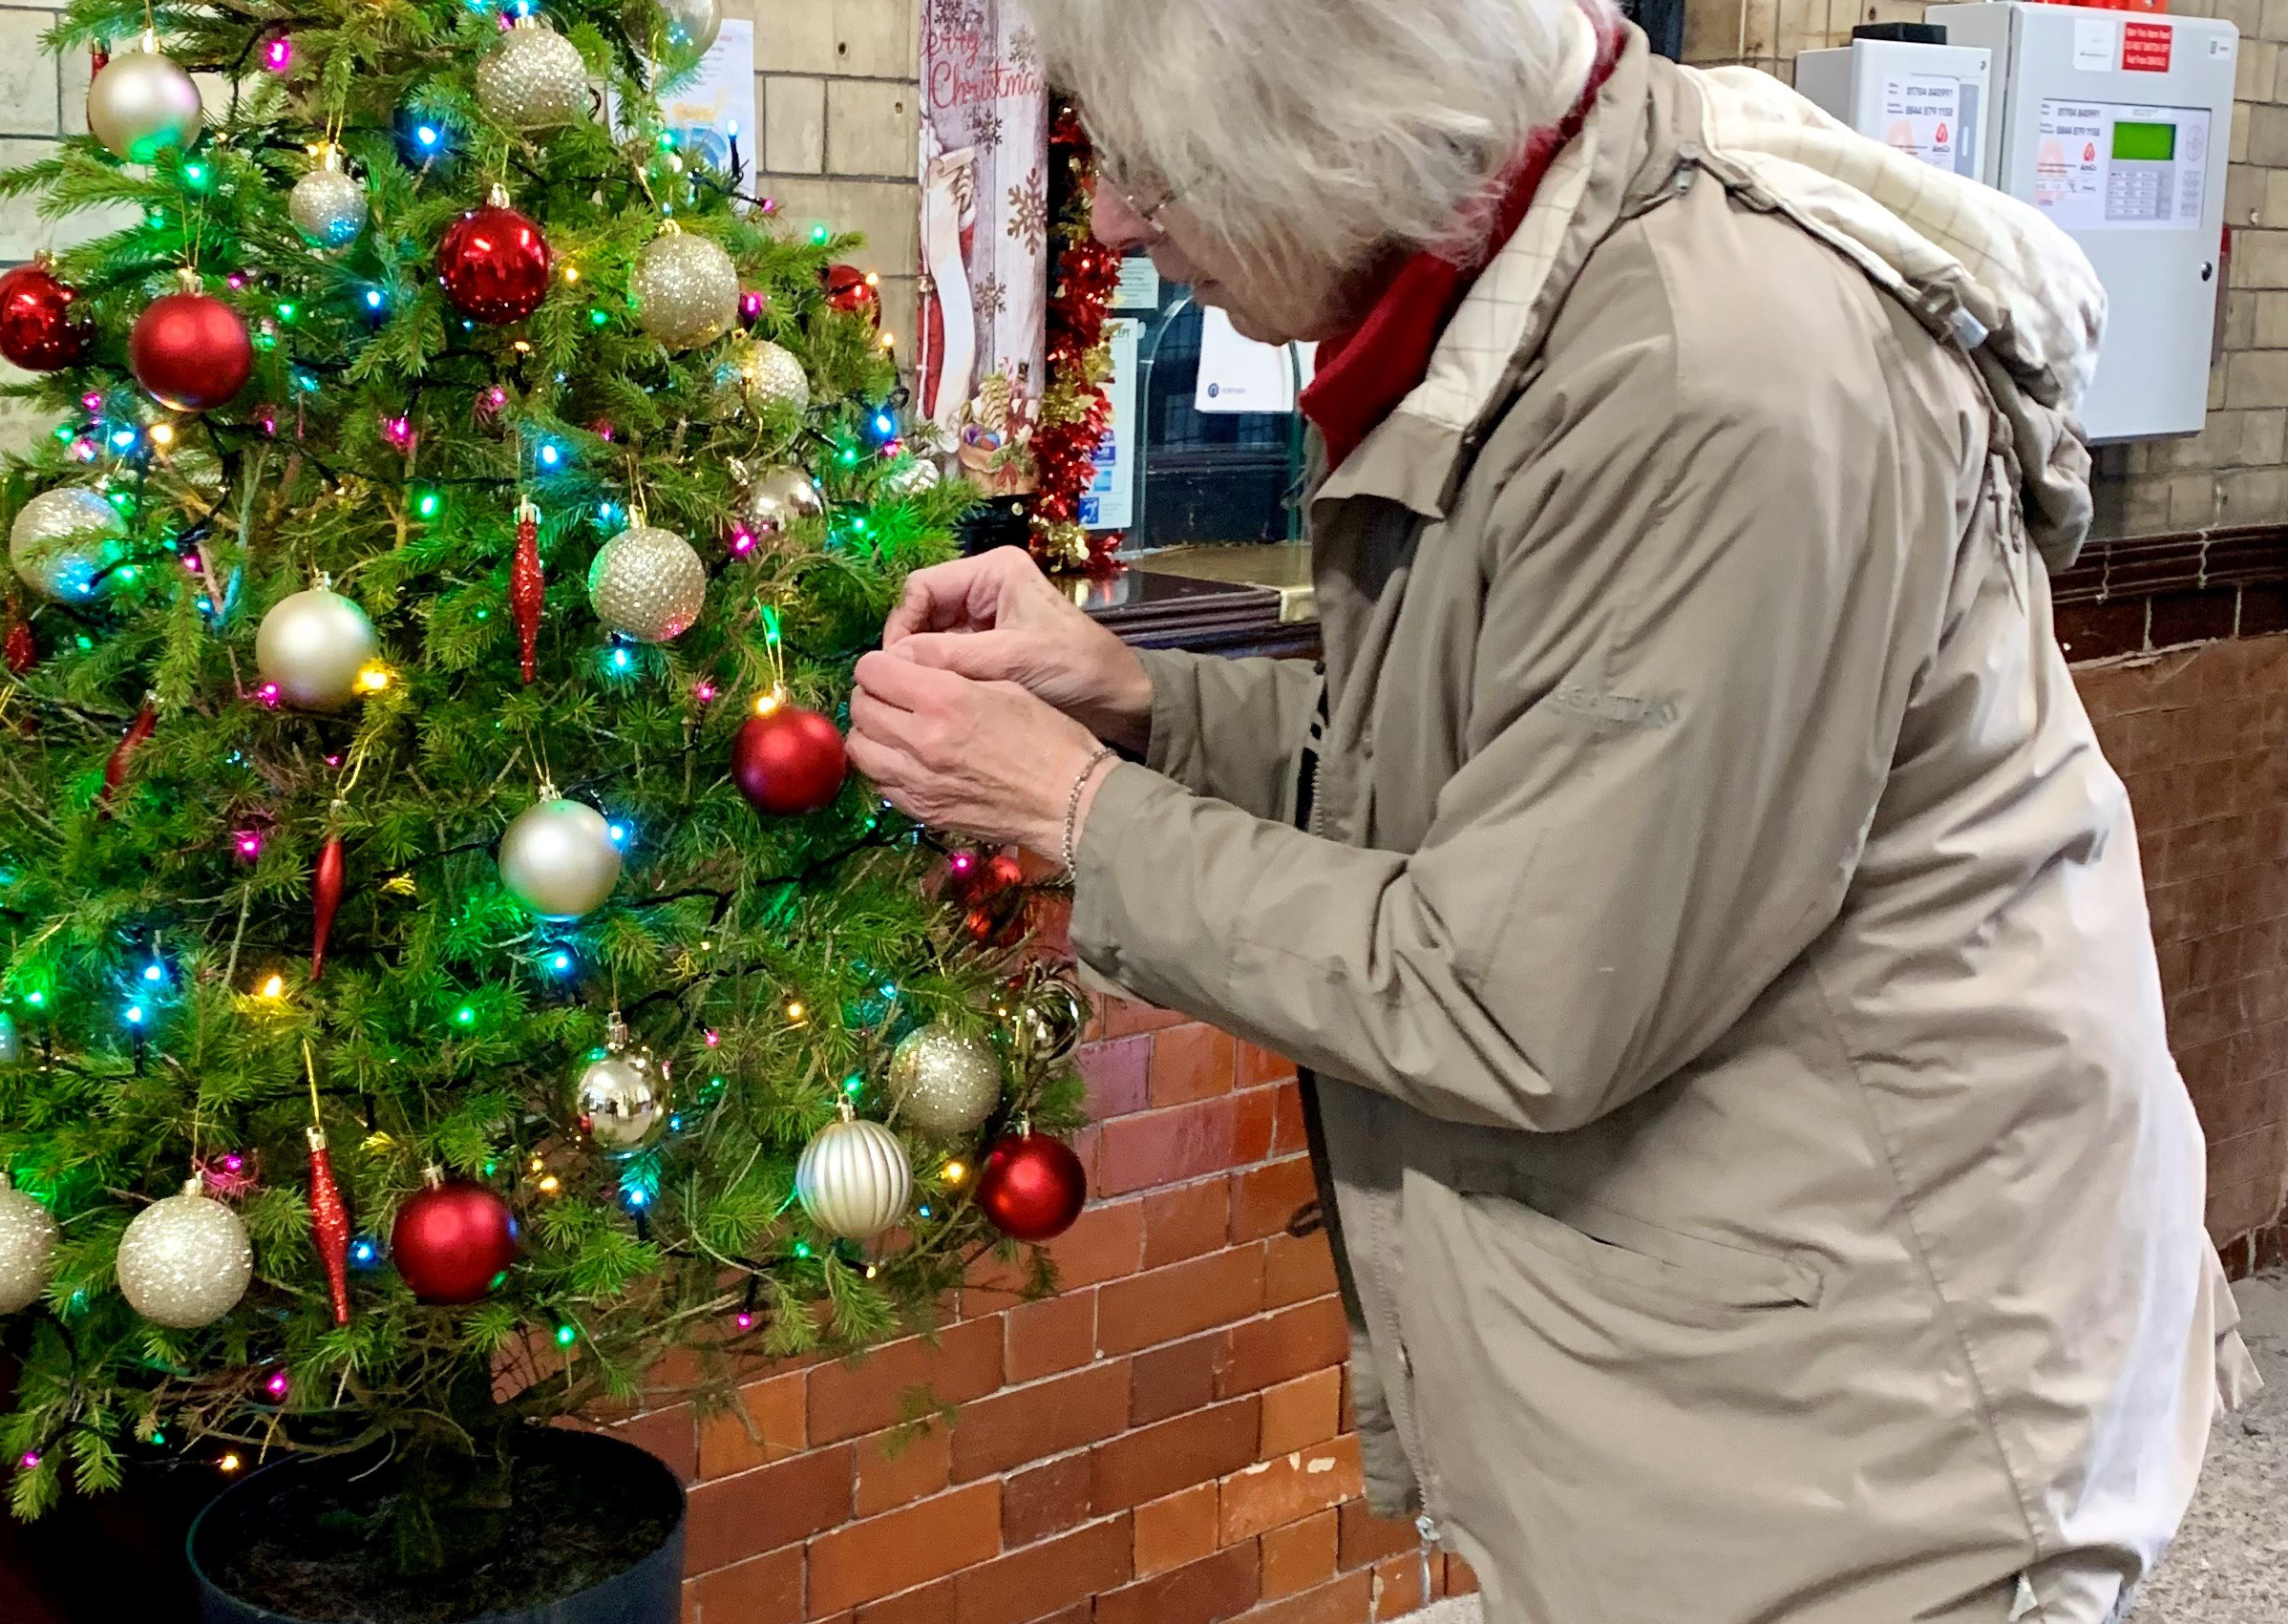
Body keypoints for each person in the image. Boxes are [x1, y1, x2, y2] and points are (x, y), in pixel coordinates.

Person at [844, 2, 2263, 1620]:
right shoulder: (1519, 301)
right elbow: (1488, 773)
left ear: (1336, 127)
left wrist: (1084, 812)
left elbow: (1518, 992)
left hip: (1883, 1443)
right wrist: (1136, 695)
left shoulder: (1716, 380)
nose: (1110, 221)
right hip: (1733, 1380)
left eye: (1158, 169)